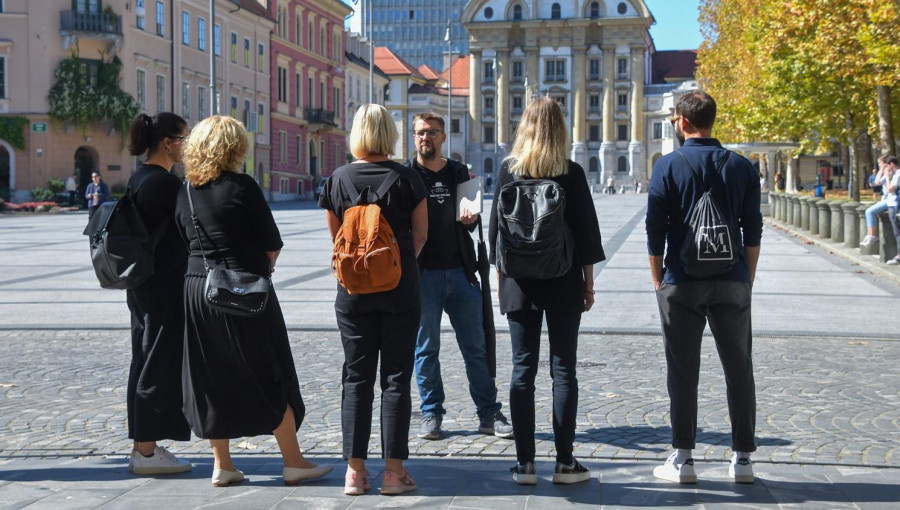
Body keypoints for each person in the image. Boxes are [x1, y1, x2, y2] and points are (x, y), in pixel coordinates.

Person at [175, 116, 331, 487]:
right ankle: (293, 461)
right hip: (241, 289)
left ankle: (223, 464)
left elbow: (183, 239)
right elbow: (272, 244)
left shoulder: (185, 190)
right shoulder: (242, 186)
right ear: (235, 147)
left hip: (197, 288)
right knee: (268, 368)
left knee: (210, 374)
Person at [646, 90, 762, 484]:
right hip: (731, 281)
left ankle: (683, 459)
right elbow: (752, 226)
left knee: (683, 370)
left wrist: (658, 276)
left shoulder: (668, 165)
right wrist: (747, 274)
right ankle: (743, 459)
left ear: (681, 121)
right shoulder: (741, 166)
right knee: (739, 368)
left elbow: (654, 229)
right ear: (713, 120)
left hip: (682, 280)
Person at [489, 97, 605, 485]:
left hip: (519, 284)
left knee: (522, 370)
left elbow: (494, 236)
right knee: (563, 370)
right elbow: (588, 234)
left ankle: (524, 465)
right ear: (560, 129)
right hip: (563, 280)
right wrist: (588, 283)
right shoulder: (569, 172)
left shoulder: (508, 171)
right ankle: (565, 463)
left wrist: (501, 282)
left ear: (524, 127)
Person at [319, 104, 428, 496]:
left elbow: (336, 240)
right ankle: (394, 474)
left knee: (356, 376)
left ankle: (354, 472)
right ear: (390, 133)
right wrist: (396, 269)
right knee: (396, 376)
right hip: (399, 290)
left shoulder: (337, 179)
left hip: (352, 294)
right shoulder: (408, 178)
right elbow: (419, 237)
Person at [406, 112, 513, 441]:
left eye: (432, 132)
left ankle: (488, 412)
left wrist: (471, 216)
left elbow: (472, 214)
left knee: (475, 346)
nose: (426, 138)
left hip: (461, 270)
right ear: (414, 137)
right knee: (426, 349)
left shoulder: (458, 172)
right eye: (421, 132)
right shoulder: (406, 175)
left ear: (443, 137)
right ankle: (431, 413)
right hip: (423, 275)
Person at [123, 112, 192, 475]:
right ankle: (147, 453)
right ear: (168, 143)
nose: (188, 145)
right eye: (184, 138)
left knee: (144, 357)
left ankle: (142, 447)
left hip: (142, 285)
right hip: (164, 284)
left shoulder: (138, 179)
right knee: (157, 362)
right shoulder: (165, 185)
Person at [861, 155, 893, 248]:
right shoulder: (885, 172)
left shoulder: (891, 172)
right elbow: (877, 181)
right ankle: (870, 235)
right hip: (886, 198)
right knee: (870, 211)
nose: (878, 165)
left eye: (880, 163)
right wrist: (881, 170)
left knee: (869, 211)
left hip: (890, 198)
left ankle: (872, 236)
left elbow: (878, 182)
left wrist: (882, 169)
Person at [881, 156, 900, 265]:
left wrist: (888, 178)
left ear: (892, 164)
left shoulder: (897, 174)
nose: (887, 168)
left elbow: (890, 189)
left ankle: (899, 256)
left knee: (897, 232)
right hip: (894, 204)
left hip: (894, 205)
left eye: (887, 166)